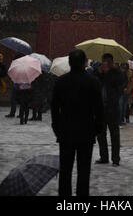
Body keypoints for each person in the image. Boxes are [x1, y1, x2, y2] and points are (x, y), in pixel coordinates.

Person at [51, 49, 104, 197]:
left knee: (65, 170)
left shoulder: (61, 82)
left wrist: (57, 128)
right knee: (84, 170)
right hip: (86, 132)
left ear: (69, 62)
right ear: (85, 62)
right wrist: (97, 129)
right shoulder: (93, 82)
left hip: (66, 132)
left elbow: (54, 108)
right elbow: (99, 109)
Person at [95, 53, 125, 166]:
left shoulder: (117, 73)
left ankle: (115, 159)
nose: (106, 63)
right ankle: (104, 157)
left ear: (112, 61)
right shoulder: (98, 72)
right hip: (100, 109)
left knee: (114, 135)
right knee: (101, 135)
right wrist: (99, 73)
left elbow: (119, 84)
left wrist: (108, 73)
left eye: (108, 61)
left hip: (112, 108)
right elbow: (94, 83)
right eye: (104, 60)